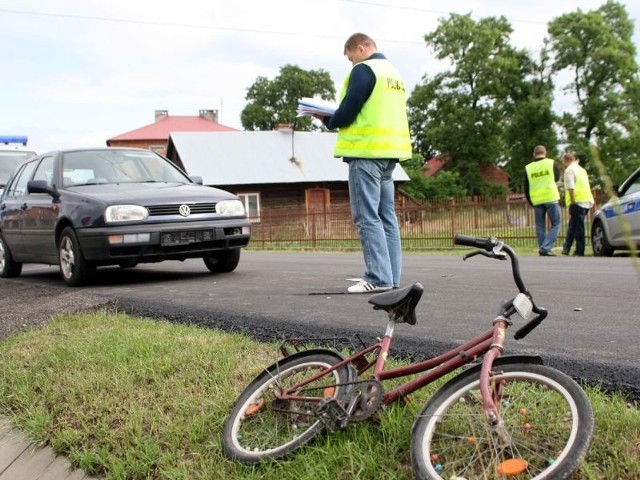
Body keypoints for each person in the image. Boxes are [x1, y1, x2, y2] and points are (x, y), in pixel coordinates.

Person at [316, 33, 412, 293]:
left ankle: (378, 277)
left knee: (367, 216)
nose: (351, 63)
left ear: (360, 48)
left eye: (350, 58)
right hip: (390, 154)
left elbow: (348, 110)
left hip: (366, 152)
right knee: (387, 217)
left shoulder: (364, 70)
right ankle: (391, 277)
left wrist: (326, 119)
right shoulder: (394, 74)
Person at [524, 145, 561, 256]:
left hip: (537, 200)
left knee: (540, 225)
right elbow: (557, 177)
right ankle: (545, 247)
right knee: (556, 223)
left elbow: (526, 186)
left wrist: (530, 201)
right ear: (545, 152)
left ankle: (542, 247)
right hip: (550, 197)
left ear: (534, 154)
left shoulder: (528, 168)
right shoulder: (551, 163)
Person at [561, 152, 594, 256]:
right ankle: (566, 248)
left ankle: (580, 250)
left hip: (577, 201)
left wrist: (573, 201)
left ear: (566, 161)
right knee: (573, 225)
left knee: (578, 228)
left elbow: (571, 187)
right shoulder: (581, 170)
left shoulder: (569, 170)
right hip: (587, 200)